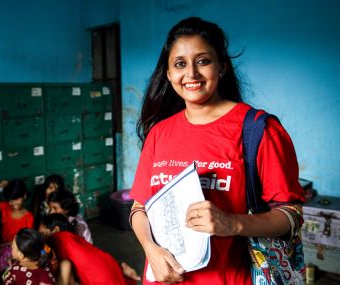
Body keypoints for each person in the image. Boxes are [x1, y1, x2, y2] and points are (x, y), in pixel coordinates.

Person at [129, 17, 305, 285]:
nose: (191, 74)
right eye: (179, 64)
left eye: (203, 61)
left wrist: (232, 224)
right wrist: (150, 249)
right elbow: (139, 207)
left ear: (221, 66)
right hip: (162, 278)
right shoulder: (159, 133)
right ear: (168, 74)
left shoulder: (259, 129)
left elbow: (291, 215)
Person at [39, 213, 140, 285]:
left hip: (98, 277)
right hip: (109, 265)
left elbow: (66, 267)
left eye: (43, 233)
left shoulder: (56, 238)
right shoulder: (71, 236)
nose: (42, 237)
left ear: (56, 229)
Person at [0, 179, 34, 272]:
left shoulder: (29, 217)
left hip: (16, 249)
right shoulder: (5, 207)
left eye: (17, 199)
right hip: (2, 246)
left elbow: (26, 240)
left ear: (24, 195)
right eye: (11, 200)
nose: (14, 203)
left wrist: (5, 245)